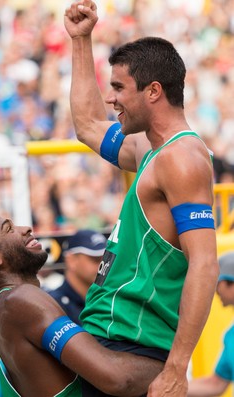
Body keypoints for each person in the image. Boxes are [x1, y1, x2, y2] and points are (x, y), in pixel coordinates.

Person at [64, 1, 219, 396]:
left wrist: (176, 370)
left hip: (132, 343)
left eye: (118, 88)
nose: (111, 99)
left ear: (153, 91)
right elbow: (86, 125)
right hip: (107, 335)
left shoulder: (182, 159)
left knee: (18, 313)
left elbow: (204, 262)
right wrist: (81, 41)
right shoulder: (148, 150)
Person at [0, 213, 165, 397]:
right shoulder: (21, 299)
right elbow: (118, 378)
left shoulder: (4, 310)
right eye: (9, 229)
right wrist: (173, 365)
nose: (25, 228)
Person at [188, 251, 234, 396]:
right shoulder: (231, 336)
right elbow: (216, 383)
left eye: (217, 283)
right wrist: (167, 387)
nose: (214, 291)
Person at [48, 229, 106, 324]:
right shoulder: (55, 305)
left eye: (106, 259)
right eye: (95, 259)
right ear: (71, 260)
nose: (103, 265)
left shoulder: (105, 301)